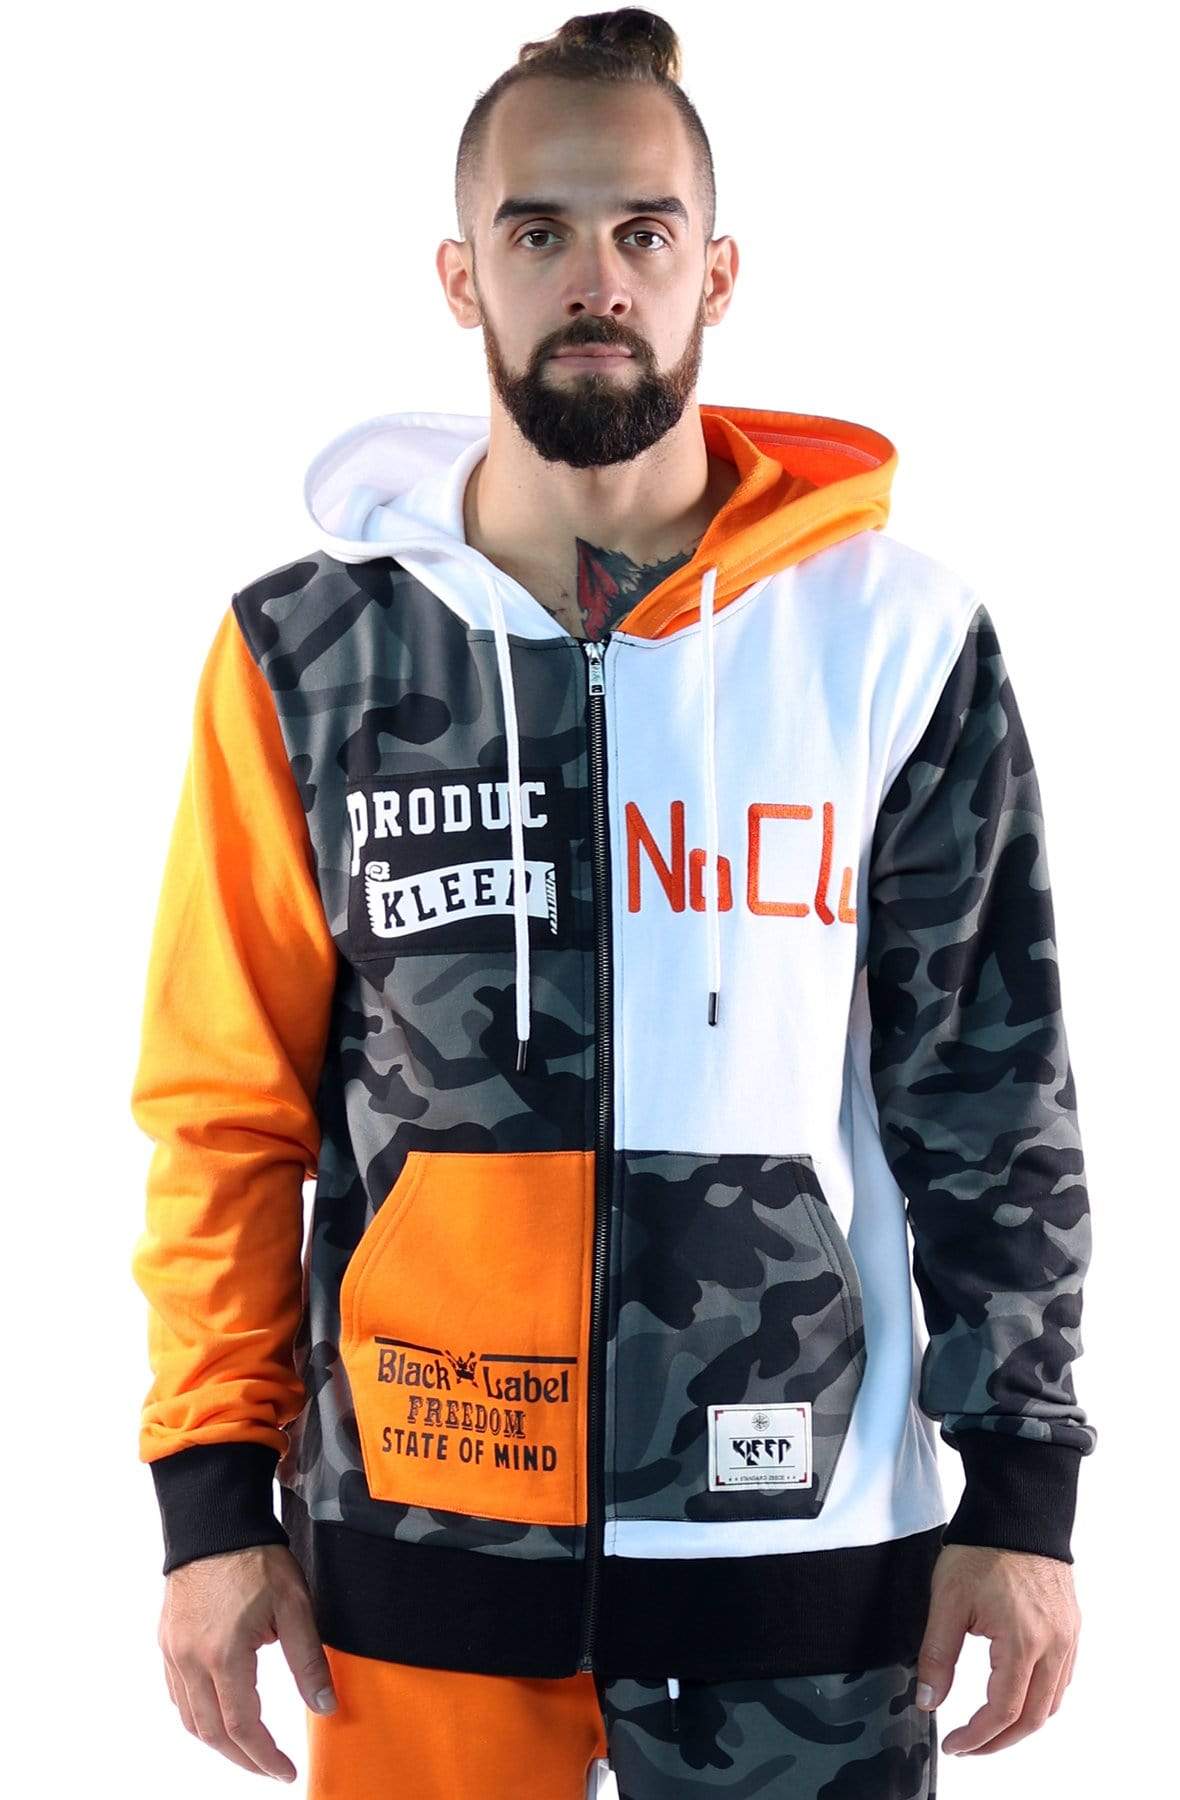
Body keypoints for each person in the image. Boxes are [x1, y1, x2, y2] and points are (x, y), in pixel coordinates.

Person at [128, 10, 1097, 1797]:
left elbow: (988, 1091)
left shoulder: (892, 641)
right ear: (460, 274)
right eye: (540, 229)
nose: (597, 278)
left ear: (715, 271)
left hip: (805, 1568)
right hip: (416, 1569)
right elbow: (224, 1110)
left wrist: (1023, 1486)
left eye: (645, 230)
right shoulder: (306, 655)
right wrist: (209, 1502)